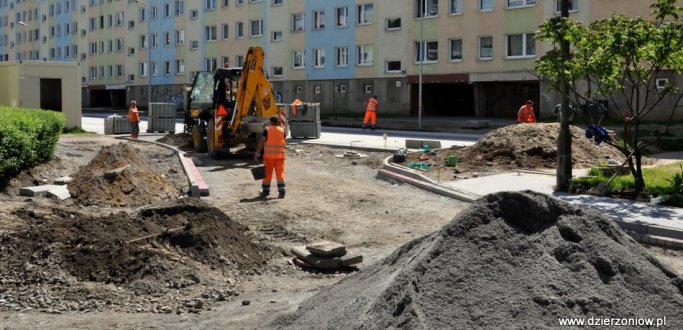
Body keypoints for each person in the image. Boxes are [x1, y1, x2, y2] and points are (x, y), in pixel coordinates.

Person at [254, 116, 286, 199]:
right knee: (280, 174)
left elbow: (262, 141)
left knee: (267, 174)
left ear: (271, 122)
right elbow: (282, 141)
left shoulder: (267, 129)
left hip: (269, 157)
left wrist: (257, 152)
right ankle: (282, 191)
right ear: (278, 122)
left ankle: (265, 191)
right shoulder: (282, 130)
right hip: (280, 156)